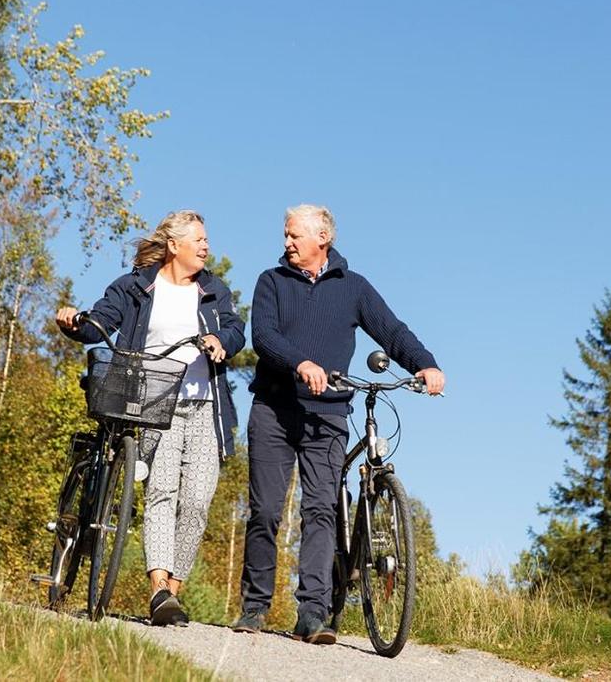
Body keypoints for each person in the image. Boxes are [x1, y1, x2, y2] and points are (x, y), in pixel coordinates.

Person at [232, 204, 445, 643]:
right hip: (274, 408)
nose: (286, 242)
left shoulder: (354, 287)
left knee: (322, 510)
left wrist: (426, 365)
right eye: (286, 235)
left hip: (328, 413)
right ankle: (254, 607)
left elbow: (392, 330)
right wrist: (300, 362)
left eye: (294, 235)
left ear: (322, 239)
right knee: (267, 511)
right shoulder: (271, 282)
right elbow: (264, 337)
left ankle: (313, 613)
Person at [56, 210, 245, 627]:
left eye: (206, 239)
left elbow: (235, 330)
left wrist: (220, 341)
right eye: (198, 238)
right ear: (174, 245)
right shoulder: (136, 287)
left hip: (205, 407)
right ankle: (158, 587)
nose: (206, 246)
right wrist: (75, 322)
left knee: (197, 503)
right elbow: (100, 323)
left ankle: (172, 592)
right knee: (161, 493)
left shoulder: (214, 291)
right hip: (153, 404)